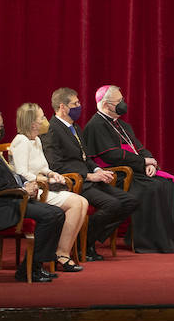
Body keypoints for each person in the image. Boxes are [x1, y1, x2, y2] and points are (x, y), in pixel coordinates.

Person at [83, 85, 174, 252]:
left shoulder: (123, 125)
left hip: (135, 169)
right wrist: (142, 162)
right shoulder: (96, 125)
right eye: (118, 101)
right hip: (117, 174)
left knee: (167, 184)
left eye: (122, 100)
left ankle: (167, 238)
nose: (123, 104)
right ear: (105, 105)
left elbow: (140, 148)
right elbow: (112, 155)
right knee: (154, 187)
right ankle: (148, 241)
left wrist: (150, 162)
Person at [41, 86, 140, 262]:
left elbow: (85, 158)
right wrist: (89, 176)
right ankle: (83, 244)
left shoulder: (75, 128)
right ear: (63, 107)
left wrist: (97, 170)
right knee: (112, 205)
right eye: (75, 103)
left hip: (89, 177)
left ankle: (87, 239)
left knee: (130, 201)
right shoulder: (52, 129)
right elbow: (55, 165)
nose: (80, 106)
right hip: (75, 181)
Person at [0, 109, 65, 282]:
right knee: (51, 215)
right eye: (1, 127)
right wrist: (22, 190)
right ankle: (28, 269)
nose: (3, 129)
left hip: (8, 198)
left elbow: (5, 175)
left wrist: (25, 184)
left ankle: (36, 266)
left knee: (57, 213)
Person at [9, 103, 88, 272]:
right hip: (32, 191)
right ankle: (61, 254)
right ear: (33, 123)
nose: (46, 120)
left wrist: (52, 174)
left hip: (44, 185)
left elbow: (43, 166)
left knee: (83, 203)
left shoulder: (36, 139)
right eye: (42, 117)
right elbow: (22, 172)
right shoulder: (21, 141)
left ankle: (62, 251)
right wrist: (44, 180)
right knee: (75, 203)